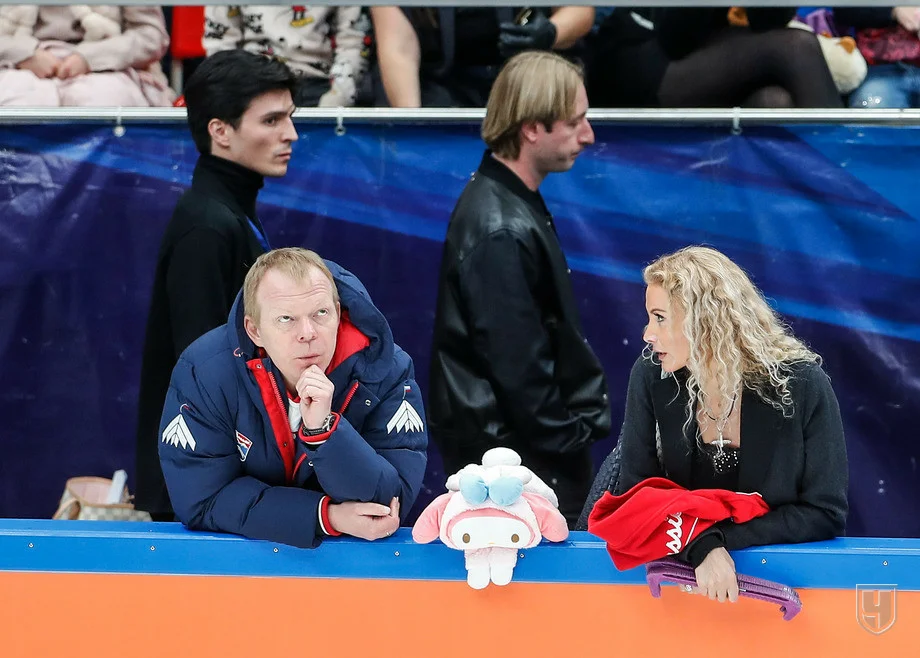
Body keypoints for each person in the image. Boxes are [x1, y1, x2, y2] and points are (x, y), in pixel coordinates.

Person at [428, 51, 611, 526]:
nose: (588, 135)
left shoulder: (506, 209)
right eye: (575, 122)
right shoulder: (500, 228)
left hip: (521, 456)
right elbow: (518, 366)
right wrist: (567, 439)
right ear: (531, 128)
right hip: (523, 470)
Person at [613, 246, 848, 601]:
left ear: (704, 320)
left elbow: (824, 512)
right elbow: (637, 494)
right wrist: (701, 548)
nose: (648, 333)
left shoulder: (801, 384)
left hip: (780, 590)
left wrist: (718, 541)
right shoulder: (650, 375)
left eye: (659, 317)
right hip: (677, 593)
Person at [158, 248, 428, 546]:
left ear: (338, 313)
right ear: (254, 330)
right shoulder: (205, 371)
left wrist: (324, 432)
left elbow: (389, 503)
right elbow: (201, 498)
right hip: (237, 562)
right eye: (286, 319)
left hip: (350, 566)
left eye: (321, 313)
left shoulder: (385, 369)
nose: (308, 333)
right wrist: (325, 517)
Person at [135, 50, 298, 521]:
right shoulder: (207, 225)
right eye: (271, 120)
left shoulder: (228, 212)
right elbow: (203, 368)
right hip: (205, 484)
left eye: (289, 116)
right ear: (220, 131)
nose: (290, 133)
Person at [588, 7, 843, 108]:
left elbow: (767, 21)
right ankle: (850, 180)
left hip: (704, 48)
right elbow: (676, 39)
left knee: (774, 103)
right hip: (639, 54)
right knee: (797, 47)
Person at [370, 6, 594, 107]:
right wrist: (414, 127)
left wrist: (552, 32)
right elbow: (399, 49)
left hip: (528, 78)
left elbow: (580, 11)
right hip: (440, 85)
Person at [0, 5, 173, 106]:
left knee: (101, 103)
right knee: (16, 102)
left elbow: (151, 36)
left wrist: (89, 58)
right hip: (14, 64)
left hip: (109, 65)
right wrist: (24, 53)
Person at [204, 5, 371, 107]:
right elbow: (220, 43)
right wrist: (234, 95)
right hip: (253, 82)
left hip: (321, 85)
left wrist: (336, 98)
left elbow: (353, 43)